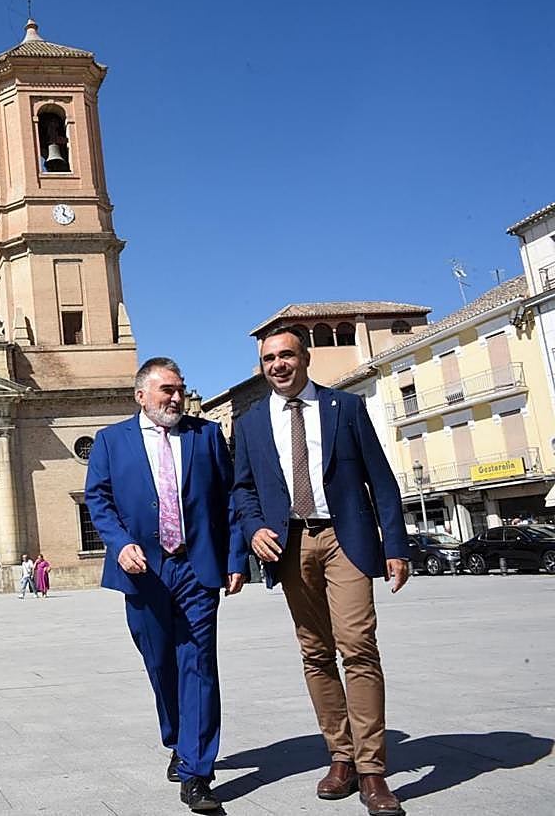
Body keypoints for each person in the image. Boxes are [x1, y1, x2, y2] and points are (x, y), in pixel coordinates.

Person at [231, 326, 408, 816]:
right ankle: (341, 757)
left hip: (344, 537)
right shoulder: (249, 423)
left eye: (286, 355)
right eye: (269, 359)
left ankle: (372, 771)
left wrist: (395, 545)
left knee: (357, 646)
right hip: (288, 544)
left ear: (304, 358)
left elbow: (381, 479)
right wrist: (252, 529)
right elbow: (241, 489)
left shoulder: (344, 408)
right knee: (315, 651)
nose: (278, 365)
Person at [85, 357, 248, 813]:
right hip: (143, 572)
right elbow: (97, 499)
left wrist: (235, 557)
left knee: (198, 664)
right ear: (141, 395)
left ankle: (198, 770)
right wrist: (118, 543)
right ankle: (179, 740)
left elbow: (229, 499)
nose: (176, 397)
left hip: (196, 569)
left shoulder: (206, 435)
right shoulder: (110, 441)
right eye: (166, 390)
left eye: (179, 389)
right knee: (160, 663)